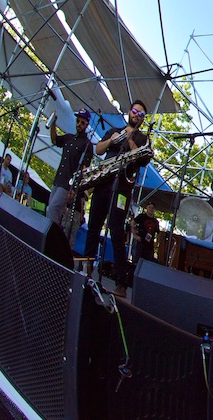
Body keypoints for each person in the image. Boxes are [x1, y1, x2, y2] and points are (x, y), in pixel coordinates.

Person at [86, 100, 150, 297]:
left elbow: (141, 159)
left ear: (143, 119)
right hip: (104, 185)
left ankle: (121, 283)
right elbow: (98, 150)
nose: (136, 115)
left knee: (116, 232)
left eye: (140, 114)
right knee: (93, 227)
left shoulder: (143, 139)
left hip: (122, 188)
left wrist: (130, 139)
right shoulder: (114, 130)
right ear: (128, 112)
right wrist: (113, 140)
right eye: (134, 111)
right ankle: (86, 270)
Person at [47, 109, 95, 229]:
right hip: (58, 178)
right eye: (78, 121)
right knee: (51, 208)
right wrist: (53, 124)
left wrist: (74, 188)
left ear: (87, 125)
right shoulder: (69, 138)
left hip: (68, 183)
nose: (79, 124)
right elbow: (54, 140)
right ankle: (53, 233)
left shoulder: (87, 145)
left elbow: (84, 169)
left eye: (82, 122)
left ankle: (48, 235)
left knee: (53, 208)